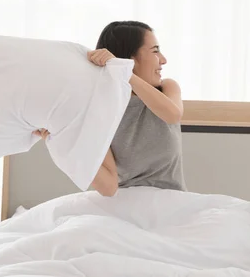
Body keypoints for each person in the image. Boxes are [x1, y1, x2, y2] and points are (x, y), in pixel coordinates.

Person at [34, 21, 186, 196]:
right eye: (155, 51)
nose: (163, 60)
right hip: (125, 207)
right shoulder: (100, 109)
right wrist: (59, 145)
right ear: (131, 58)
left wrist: (123, 72)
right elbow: (108, 187)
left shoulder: (167, 88)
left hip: (172, 202)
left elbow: (172, 115)